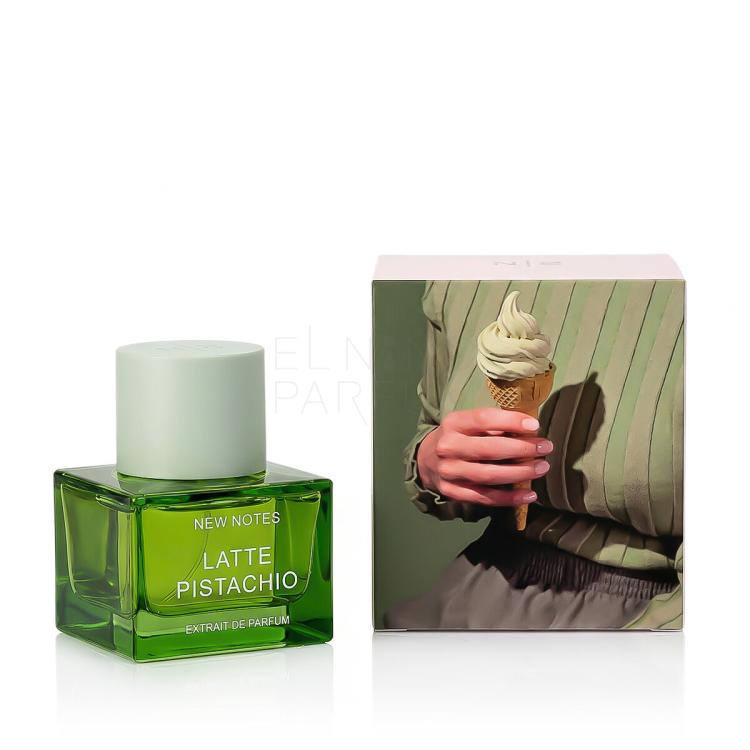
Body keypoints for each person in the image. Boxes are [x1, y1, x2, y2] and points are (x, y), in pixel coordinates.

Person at [387, 280, 683, 629]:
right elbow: (431, 429)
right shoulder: (457, 276)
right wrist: (431, 463)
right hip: (481, 584)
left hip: (644, 613)